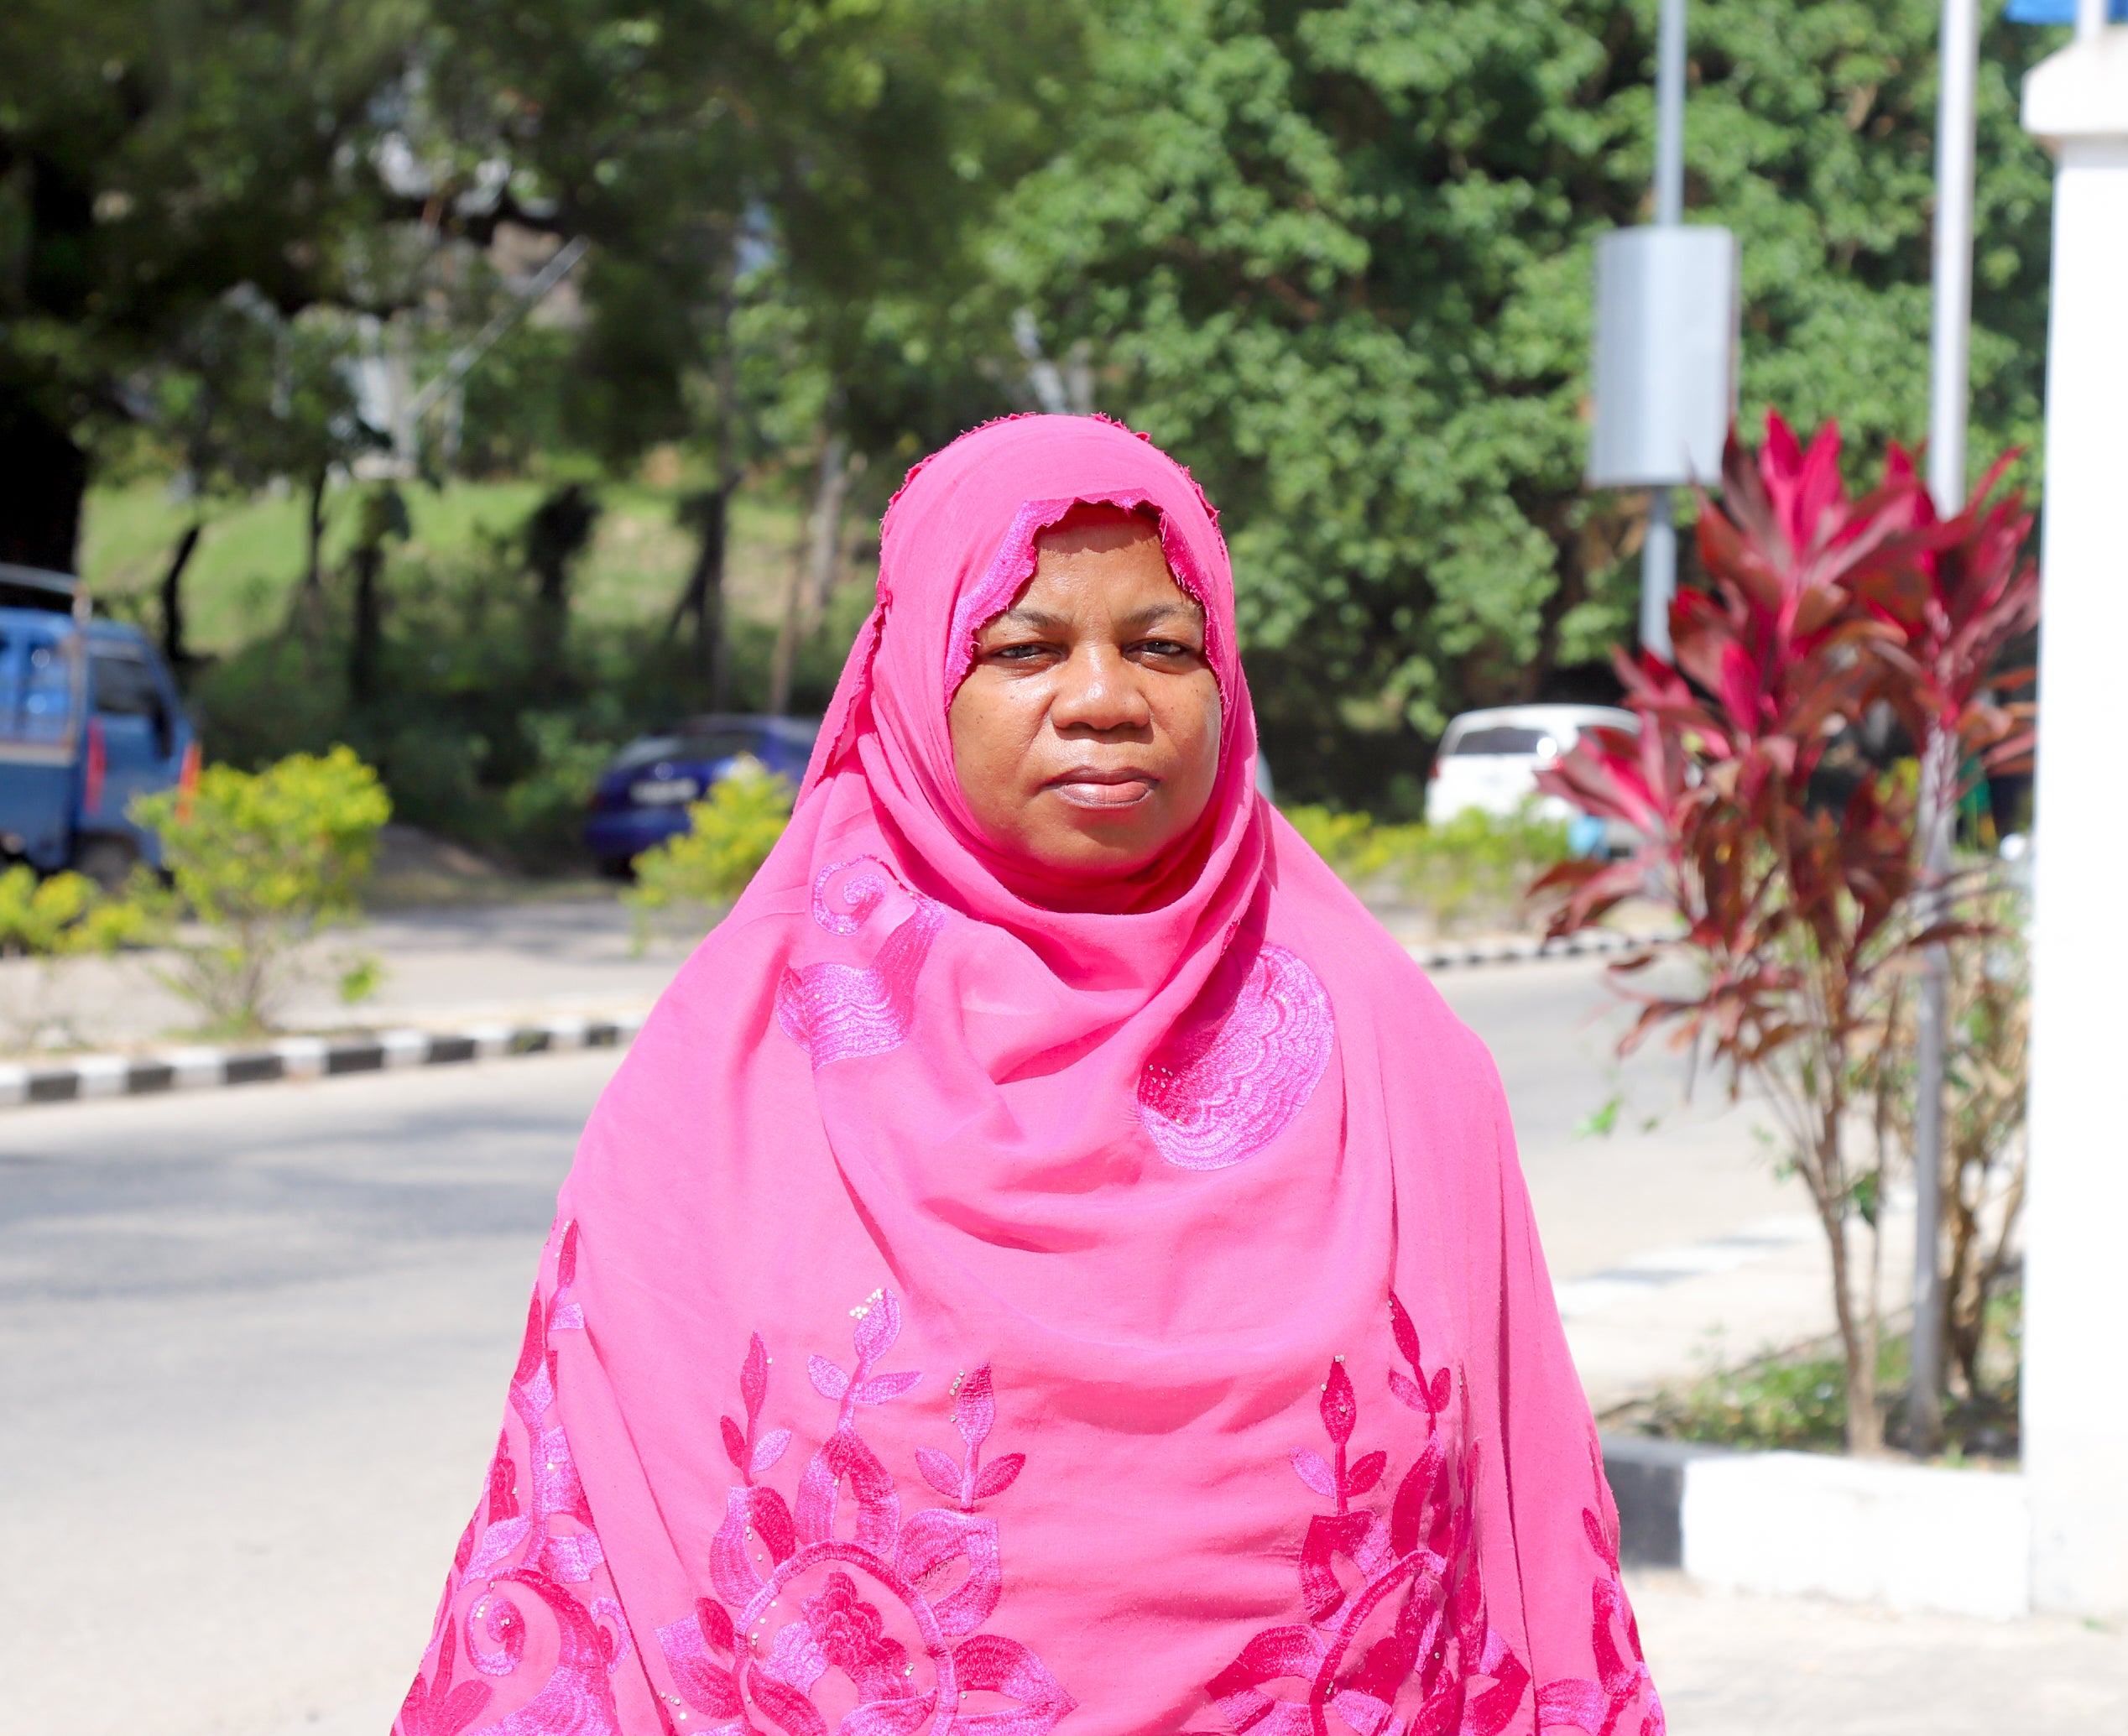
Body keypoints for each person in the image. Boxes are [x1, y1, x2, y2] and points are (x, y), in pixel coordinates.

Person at [394, 414, 1662, 1736]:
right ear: (913, 679)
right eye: (1026, 646)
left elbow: (1501, 1560)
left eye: (1163, 645)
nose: (1107, 697)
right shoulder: (728, 1073)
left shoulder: (1398, 1064)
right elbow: (622, 1560)